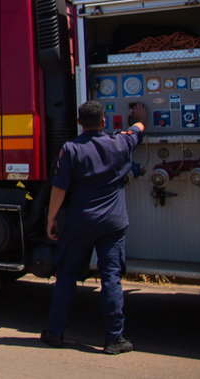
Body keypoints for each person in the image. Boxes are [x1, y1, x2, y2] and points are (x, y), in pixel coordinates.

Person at [41, 100, 147, 355]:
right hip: (112, 223)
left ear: (79, 123)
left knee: (66, 275)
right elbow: (138, 130)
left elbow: (60, 187)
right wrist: (140, 116)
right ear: (104, 122)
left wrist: (51, 219)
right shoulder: (120, 143)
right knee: (111, 277)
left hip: (81, 222)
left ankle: (55, 332)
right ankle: (114, 339)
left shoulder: (71, 149)